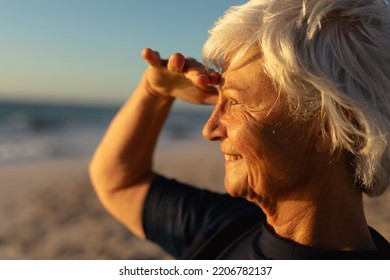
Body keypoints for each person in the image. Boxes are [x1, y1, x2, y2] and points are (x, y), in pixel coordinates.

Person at [89, 0, 390, 259]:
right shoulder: (229, 226)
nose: (210, 129)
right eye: (219, 100)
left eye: (234, 102)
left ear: (328, 126)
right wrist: (154, 92)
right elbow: (118, 181)